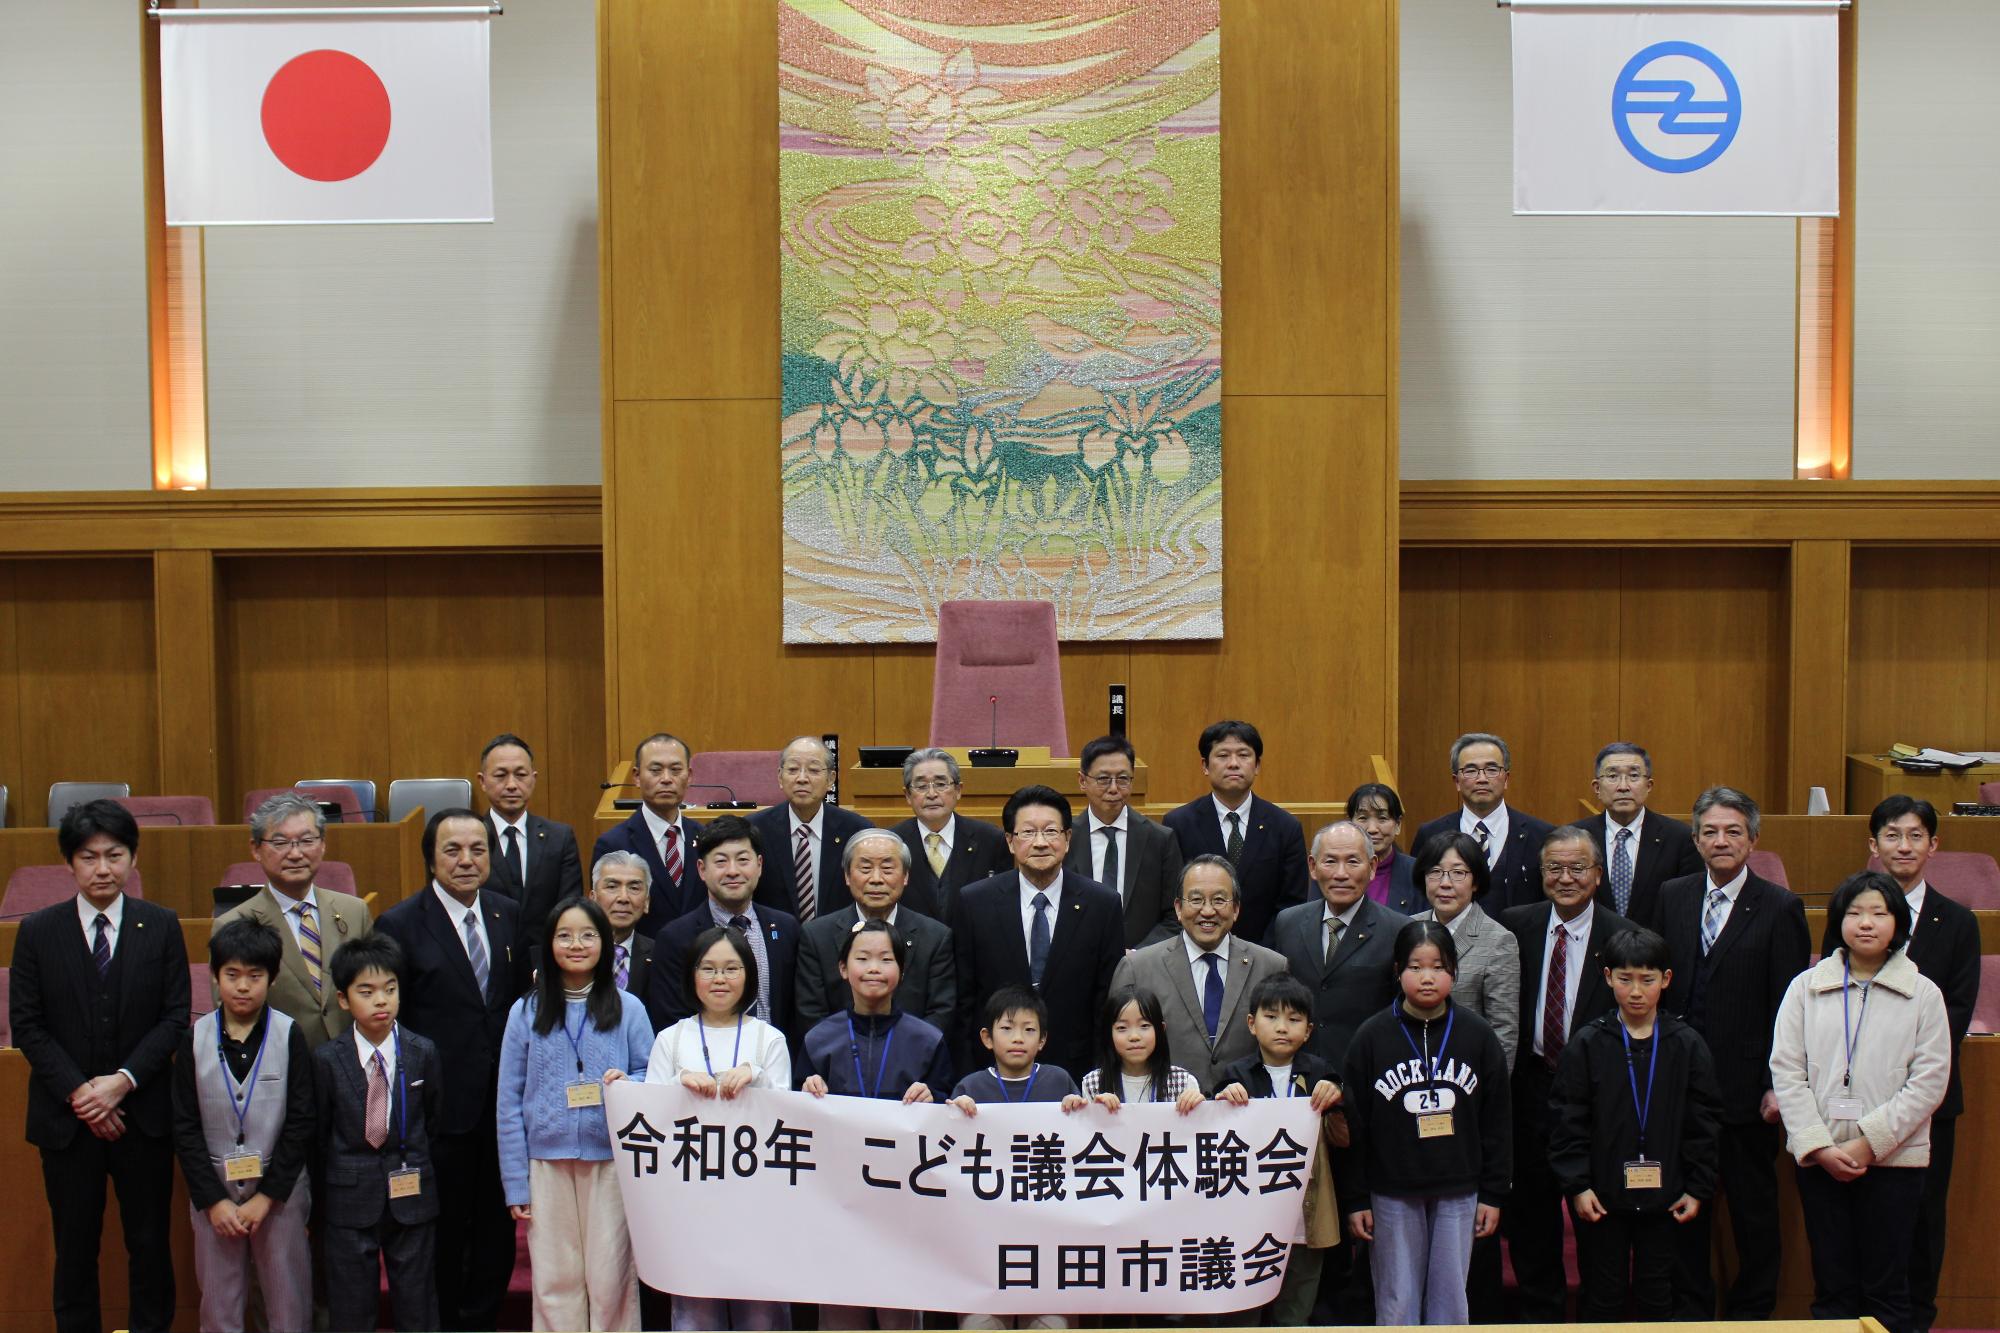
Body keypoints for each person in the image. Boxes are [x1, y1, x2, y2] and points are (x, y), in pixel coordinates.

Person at [10, 799, 188, 1333]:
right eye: (89, 857)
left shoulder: (160, 926)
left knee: (151, 1245)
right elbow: (28, 1025)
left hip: (143, 1117)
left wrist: (121, 1083)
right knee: (74, 1249)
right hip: (67, 1124)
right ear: (69, 863)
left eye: (115, 854)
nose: (103, 868)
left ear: (133, 858)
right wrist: (83, 1096)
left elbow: (176, 1015)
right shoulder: (38, 930)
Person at [375, 807, 532, 1331]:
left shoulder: (507, 912)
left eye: (478, 849)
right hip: (439, 1111)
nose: (467, 861)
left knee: (494, 1233)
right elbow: (392, 1020)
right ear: (430, 859)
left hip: (503, 1107)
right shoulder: (399, 923)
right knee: (443, 1236)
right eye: (453, 850)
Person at [1772, 872, 1950, 1333]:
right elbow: (1787, 1073)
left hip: (1895, 1163)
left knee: (1887, 1288)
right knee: (1832, 1286)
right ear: (1837, 920)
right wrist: (1819, 1146)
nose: (1865, 923)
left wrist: (1869, 1143)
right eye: (1854, 913)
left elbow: (1929, 1082)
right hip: (1822, 1159)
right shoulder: (1805, 988)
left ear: (1898, 923)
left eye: (1879, 913)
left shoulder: (1924, 994)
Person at [1656, 785, 1810, 1320]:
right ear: (1695, 839)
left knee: (1753, 1217)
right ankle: (1690, 1316)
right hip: (1678, 1091)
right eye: (1710, 832)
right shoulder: (1672, 895)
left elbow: (1790, 1007)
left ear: (1753, 839)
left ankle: (1751, 1318)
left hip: (1749, 1095)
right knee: (1681, 1214)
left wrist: (1777, 1085)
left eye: (1733, 831)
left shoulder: (1780, 906)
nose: (1720, 841)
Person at [1340, 921, 1511, 1327]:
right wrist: (1356, 1198)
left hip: (1459, 1189)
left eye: (1438, 966)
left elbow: (1498, 1121)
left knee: (1451, 1296)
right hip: (1391, 1190)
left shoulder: (1479, 1036)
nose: (1427, 977)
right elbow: (1353, 1128)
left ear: (1454, 971)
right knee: (1397, 1296)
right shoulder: (1371, 1037)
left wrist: (1493, 1192)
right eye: (1416, 967)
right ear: (1398, 970)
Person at [497, 896, 653, 1333]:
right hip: (545, 1163)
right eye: (564, 936)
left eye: (587, 935)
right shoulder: (525, 1010)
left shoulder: (628, 1008)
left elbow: (650, 1074)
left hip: (611, 1162)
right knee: (554, 1279)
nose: (576, 944)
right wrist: (515, 1181)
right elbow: (508, 1098)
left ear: (605, 943)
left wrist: (630, 1081)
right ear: (548, 945)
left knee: (611, 1277)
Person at [1547, 927, 1720, 1322]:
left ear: (1667, 980)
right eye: (1625, 979)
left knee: (1658, 1296)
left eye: (1648, 980)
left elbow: (1704, 1122)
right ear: (1608, 977)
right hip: (1602, 1198)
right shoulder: (1589, 1043)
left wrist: (1697, 1187)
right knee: (1601, 1297)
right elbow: (1566, 1119)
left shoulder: (1686, 1044)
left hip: (1668, 1198)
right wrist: (1578, 1185)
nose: (1637, 991)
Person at [1498, 825, 1634, 1322]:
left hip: (1595, 1097)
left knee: (1597, 1217)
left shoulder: (1624, 935)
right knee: (1532, 1219)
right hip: (1530, 1086)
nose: (1566, 877)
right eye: (1554, 868)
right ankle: (1541, 1320)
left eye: (1578, 868)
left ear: (1598, 875)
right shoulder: (1515, 925)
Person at [803, 920, 954, 1330]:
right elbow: (795, 1120)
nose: (873, 968)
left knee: (900, 1311)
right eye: (862, 958)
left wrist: (934, 1099)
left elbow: (949, 1113)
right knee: (839, 1311)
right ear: (841, 968)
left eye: (885, 959)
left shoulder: (928, 1040)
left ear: (902, 973)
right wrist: (805, 1090)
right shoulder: (819, 1039)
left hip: (903, 1203)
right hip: (837, 1201)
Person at [1867, 795, 1981, 1333]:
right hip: (1857, 1094)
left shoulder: (1957, 922)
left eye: (1915, 836)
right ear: (1874, 845)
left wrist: (1903, 1073)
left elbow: (1955, 1014)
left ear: (1934, 845)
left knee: (1922, 1216)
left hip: (1929, 1097)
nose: (1903, 846)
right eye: (1892, 835)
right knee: (1862, 1217)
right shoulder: (1852, 910)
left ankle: (1916, 1321)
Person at [171, 918, 317, 1333]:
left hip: (280, 1194)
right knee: (219, 1308)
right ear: (215, 977)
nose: (242, 986)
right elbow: (184, 1127)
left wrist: (267, 1197)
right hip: (213, 1194)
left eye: (255, 976)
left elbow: (301, 1121)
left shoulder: (290, 1035)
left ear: (271, 980)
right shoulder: (193, 1038)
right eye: (232, 974)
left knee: (288, 1306)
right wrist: (213, 1201)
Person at [646, 926, 793, 1331]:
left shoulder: (770, 1039)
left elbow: (786, 1120)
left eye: (731, 968)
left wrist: (755, 1074)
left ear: (749, 975)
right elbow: (648, 1121)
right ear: (691, 977)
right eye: (708, 969)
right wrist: (680, 1085)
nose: (720, 979)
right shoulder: (671, 1039)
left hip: (757, 1200)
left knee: (761, 1314)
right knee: (696, 1313)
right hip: (690, 1201)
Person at [314, 932, 441, 1333]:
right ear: (343, 999)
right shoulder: (327, 1060)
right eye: (366, 992)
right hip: (349, 1196)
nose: (381, 1001)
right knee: (351, 1306)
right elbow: (318, 1133)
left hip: (412, 1191)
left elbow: (434, 1121)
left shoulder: (422, 1052)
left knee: (417, 1301)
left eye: (390, 989)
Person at [952, 785, 1124, 1077]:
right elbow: (964, 998)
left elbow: (1106, 999)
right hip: (993, 1070)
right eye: (1028, 833)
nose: (1041, 843)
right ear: (1009, 841)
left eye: (1051, 832)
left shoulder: (1102, 904)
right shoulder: (974, 902)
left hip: (1077, 1070)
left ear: (1068, 839)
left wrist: (1101, 1074)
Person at [1213, 974, 1348, 1327]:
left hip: (1306, 1214)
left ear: (1309, 1029)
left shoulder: (1321, 1074)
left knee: (1296, 1309)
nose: (1282, 1027)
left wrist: (1337, 1097)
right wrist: (1224, 1098)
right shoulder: (1236, 1074)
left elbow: (1345, 1136)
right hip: (1248, 1217)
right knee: (1243, 1309)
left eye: (1294, 1019)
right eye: (1271, 1017)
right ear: (1251, 1024)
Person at [1108, 855, 1290, 1092]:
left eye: (1219, 900)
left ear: (1235, 909)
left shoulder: (1271, 966)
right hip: (1166, 1112)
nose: (1207, 911)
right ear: (1178, 909)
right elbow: (1112, 1051)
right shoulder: (1137, 968)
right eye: (1196, 900)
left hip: (1248, 1111)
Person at [217, 790, 375, 1046]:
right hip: (279, 1066)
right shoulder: (233, 924)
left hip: (351, 1062)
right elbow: (231, 1017)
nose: (295, 853)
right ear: (256, 849)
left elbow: (373, 988)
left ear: (322, 844)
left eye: (306, 840)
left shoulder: (355, 912)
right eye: (280, 843)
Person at [647, 816, 803, 1051]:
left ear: (759, 865)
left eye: (743, 860)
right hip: (705, 1071)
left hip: (773, 1066)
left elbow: (795, 1011)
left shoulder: (786, 928)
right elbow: (671, 1020)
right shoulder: (675, 937)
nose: (733, 871)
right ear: (702, 869)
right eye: (720, 862)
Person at [1267, 821, 1410, 1069]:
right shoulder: (1288, 922)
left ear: (1372, 867)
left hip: (1367, 1073)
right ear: (1313, 866)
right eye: (1330, 861)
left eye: (1353, 862)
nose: (1341, 873)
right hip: (1300, 1075)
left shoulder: (1398, 929)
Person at [1161, 720, 1309, 944]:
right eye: (1222, 756)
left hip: (1265, 954)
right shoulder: (1179, 823)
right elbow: (1173, 898)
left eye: (1243, 755)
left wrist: (1262, 954)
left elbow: (1291, 905)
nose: (1233, 764)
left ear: (1257, 765)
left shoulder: (1285, 827)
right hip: (1196, 949)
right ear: (1205, 765)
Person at [797, 828, 955, 1031]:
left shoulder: (935, 937)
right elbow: (811, 1016)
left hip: (912, 1057)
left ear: (905, 876)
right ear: (847, 876)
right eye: (865, 869)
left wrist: (903, 1054)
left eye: (888, 869)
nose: (876, 879)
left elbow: (941, 1014)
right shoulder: (816, 936)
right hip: (840, 1057)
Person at [1410, 831, 1520, 1068]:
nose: (1445, 883)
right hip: (1408, 1069)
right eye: (1435, 872)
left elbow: (1504, 1032)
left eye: (1458, 873)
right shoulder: (1407, 928)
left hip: (1467, 1074)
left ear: (1476, 881)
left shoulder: (1499, 941)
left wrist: (1490, 1092)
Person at [1413, 732, 1553, 912]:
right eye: (1470, 770)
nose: (1482, 779)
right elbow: (1418, 897)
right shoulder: (1430, 834)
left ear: (1506, 779)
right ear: (1456, 781)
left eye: (1492, 769)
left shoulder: (1541, 835)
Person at [1067, 733, 1183, 948]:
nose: (1113, 788)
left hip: (1142, 965)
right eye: (1103, 779)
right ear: (1082, 781)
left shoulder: (1160, 839)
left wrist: (1139, 957)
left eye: (1122, 779)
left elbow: (1175, 914)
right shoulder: (1065, 837)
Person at [749, 735, 875, 921]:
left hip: (839, 940)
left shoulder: (857, 831)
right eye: (792, 769)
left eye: (813, 770)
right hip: (775, 940)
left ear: (831, 779)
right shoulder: (754, 829)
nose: (802, 778)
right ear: (780, 777)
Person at [1571, 743, 1700, 926]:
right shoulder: (1576, 838)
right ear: (1597, 787)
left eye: (1633, 776)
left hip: (1656, 948)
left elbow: (1688, 907)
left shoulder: (1680, 838)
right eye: (1613, 776)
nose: (1623, 786)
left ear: (1649, 785)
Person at [592, 732, 706, 931]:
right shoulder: (613, 843)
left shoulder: (705, 837)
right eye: (655, 770)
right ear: (636, 776)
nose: (666, 779)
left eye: (676, 770)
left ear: (689, 776)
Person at [478, 732, 586, 937]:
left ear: (534, 779)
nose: (511, 785)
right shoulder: (470, 841)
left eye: (521, 775)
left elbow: (569, 908)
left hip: (545, 958)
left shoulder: (560, 838)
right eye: (500, 775)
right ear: (482, 781)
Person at [890, 747, 1011, 923]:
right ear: (908, 795)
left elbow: (1003, 906)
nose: (931, 794)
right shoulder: (892, 842)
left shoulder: (991, 840)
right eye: (921, 786)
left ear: (958, 790)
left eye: (941, 784)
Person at [1068, 985, 1206, 1112]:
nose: (1134, 1036)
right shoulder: (1094, 1083)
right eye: (1122, 1028)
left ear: (1160, 1029)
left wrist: (1200, 1107)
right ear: (1109, 1034)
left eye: (1144, 1026)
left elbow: (1198, 1131)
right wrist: (1074, 1109)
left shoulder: (1183, 1082)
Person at [948, 986, 1080, 1111]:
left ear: (1042, 1039)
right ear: (987, 1038)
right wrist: (957, 1113)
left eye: (1029, 1029)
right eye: (1006, 1028)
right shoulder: (971, 1087)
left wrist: (1077, 1108)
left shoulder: (1059, 1081)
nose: (1018, 1038)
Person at [1349, 782, 1423, 915]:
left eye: (1382, 818)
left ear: (1398, 825)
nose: (1372, 829)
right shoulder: (1332, 869)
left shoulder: (1418, 872)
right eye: (1363, 818)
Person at [589, 850, 655, 998]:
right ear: (593, 899)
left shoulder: (659, 955)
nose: (623, 898)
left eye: (634, 888)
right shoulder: (573, 952)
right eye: (612, 887)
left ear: (646, 902)